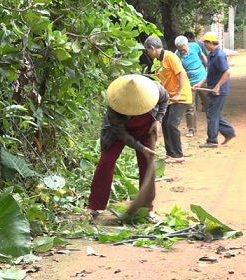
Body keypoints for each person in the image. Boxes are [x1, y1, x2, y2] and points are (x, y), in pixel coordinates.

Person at [86, 74, 169, 223]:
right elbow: (121, 133)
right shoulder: (115, 104)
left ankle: (146, 209)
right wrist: (140, 147)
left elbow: (165, 99)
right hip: (117, 133)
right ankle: (94, 207)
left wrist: (158, 120)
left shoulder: (155, 89)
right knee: (106, 162)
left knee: (148, 166)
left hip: (145, 130)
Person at [144, 36, 192, 163]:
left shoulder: (170, 56)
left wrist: (178, 93)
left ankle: (178, 155)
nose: (147, 53)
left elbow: (182, 73)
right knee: (165, 123)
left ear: (152, 48)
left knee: (172, 124)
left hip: (180, 97)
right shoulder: (157, 63)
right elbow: (159, 81)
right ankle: (170, 153)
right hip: (169, 98)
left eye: (147, 50)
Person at [192, 32, 236, 148]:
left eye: (205, 43)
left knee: (212, 114)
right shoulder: (212, 54)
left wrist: (217, 87)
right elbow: (210, 74)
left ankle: (212, 140)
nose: (204, 45)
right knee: (214, 113)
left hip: (219, 91)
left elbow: (227, 72)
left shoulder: (219, 56)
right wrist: (199, 84)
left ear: (211, 43)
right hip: (213, 89)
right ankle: (229, 132)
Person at [174, 35, 209, 138]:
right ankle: (191, 129)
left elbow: (202, 55)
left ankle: (213, 126)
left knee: (208, 104)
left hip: (202, 79)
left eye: (184, 50)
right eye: (180, 50)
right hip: (189, 83)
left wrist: (208, 68)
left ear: (187, 44)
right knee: (190, 107)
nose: (183, 52)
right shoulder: (177, 55)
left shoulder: (195, 46)